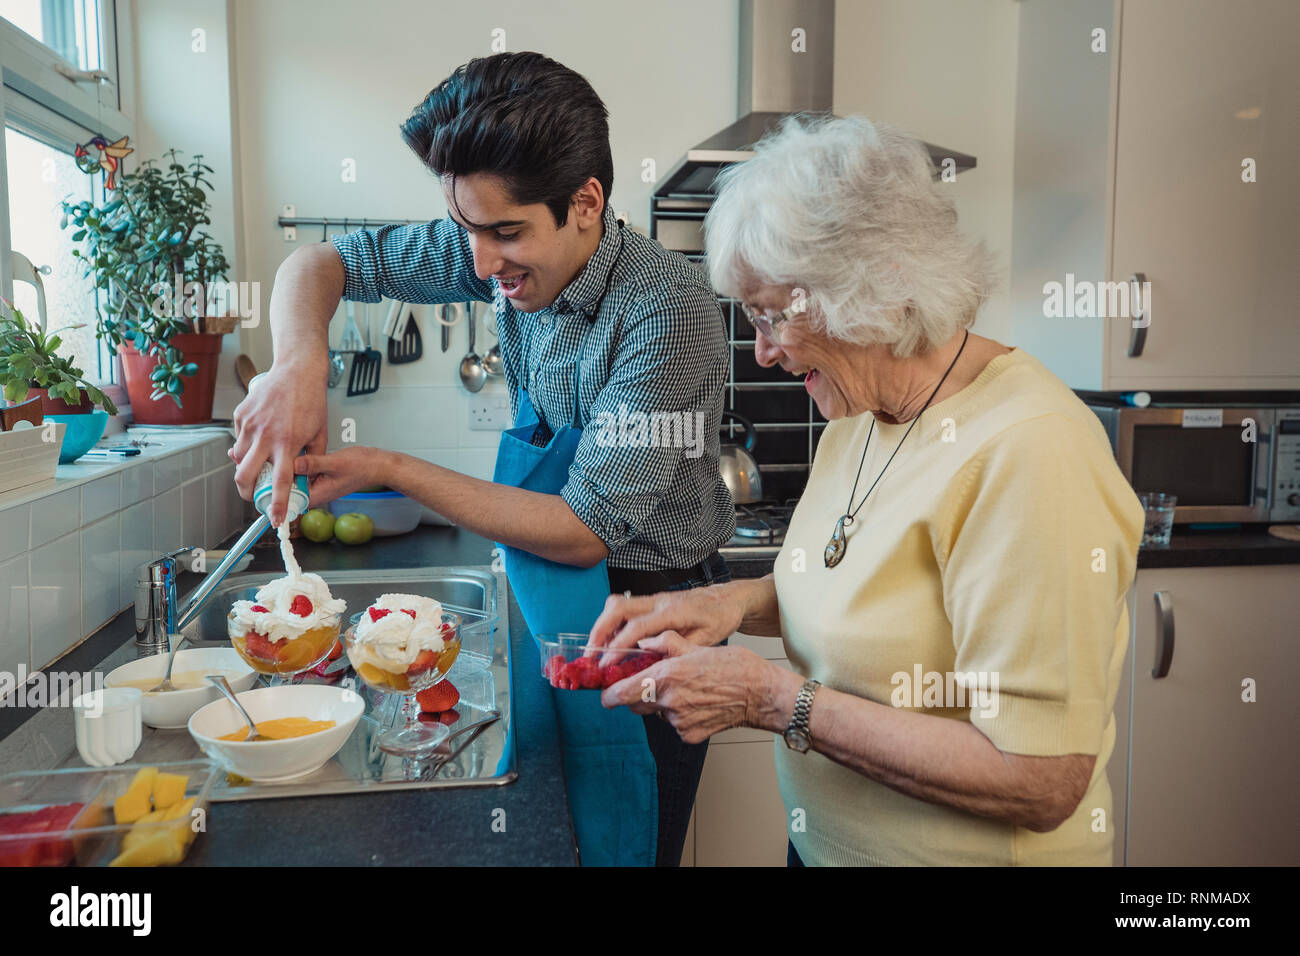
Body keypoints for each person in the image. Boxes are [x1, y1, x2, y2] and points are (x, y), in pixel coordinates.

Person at [591, 114, 1145, 866]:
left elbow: (1040, 779)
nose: (761, 352)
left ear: (870, 287)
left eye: (771, 316)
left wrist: (771, 699)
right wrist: (726, 603)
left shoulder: (1031, 451)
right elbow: (854, 590)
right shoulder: (858, 416)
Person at [230, 52, 735, 866]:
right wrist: (298, 363)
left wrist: (391, 468)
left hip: (651, 618)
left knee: (623, 840)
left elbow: (581, 530)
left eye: (505, 233)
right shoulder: (495, 245)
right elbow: (318, 264)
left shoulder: (664, 313)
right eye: (467, 229)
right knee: (539, 831)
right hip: (544, 591)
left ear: (586, 204)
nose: (480, 264)